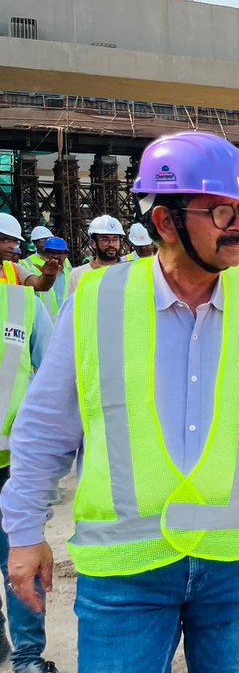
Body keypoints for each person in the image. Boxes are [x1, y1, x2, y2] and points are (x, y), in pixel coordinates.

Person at [0, 131, 239, 671]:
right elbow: (45, 429)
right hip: (125, 569)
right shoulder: (96, 302)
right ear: (166, 222)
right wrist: (25, 535)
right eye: (221, 212)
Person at [0, 275, 57, 673]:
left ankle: (27, 656)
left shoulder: (22, 304)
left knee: (19, 562)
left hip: (11, 465)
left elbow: (54, 378)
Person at [65, 215, 125, 296]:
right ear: (93, 243)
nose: (111, 244)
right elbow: (71, 306)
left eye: (115, 239)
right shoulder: (77, 274)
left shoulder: (130, 271)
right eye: (105, 239)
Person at [0, 216, 61, 295]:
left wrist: (49, 275)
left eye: (15, 241)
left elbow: (40, 285)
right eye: (6, 240)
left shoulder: (13, 268)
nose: (12, 246)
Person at [24, 238, 69, 323]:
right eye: (51, 252)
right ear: (45, 254)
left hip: (66, 324)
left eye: (59, 253)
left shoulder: (72, 274)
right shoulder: (33, 273)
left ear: (65, 255)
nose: (55, 256)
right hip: (43, 323)